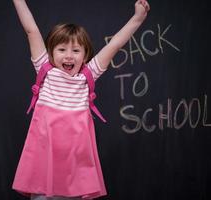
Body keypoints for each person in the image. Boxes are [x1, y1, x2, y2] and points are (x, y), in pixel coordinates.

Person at [11, 0, 150, 199]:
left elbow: (115, 44)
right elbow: (31, 30)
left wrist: (137, 18)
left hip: (75, 165)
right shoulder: (45, 69)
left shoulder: (88, 76)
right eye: (61, 50)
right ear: (50, 53)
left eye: (76, 51)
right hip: (45, 160)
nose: (69, 56)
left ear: (85, 56)